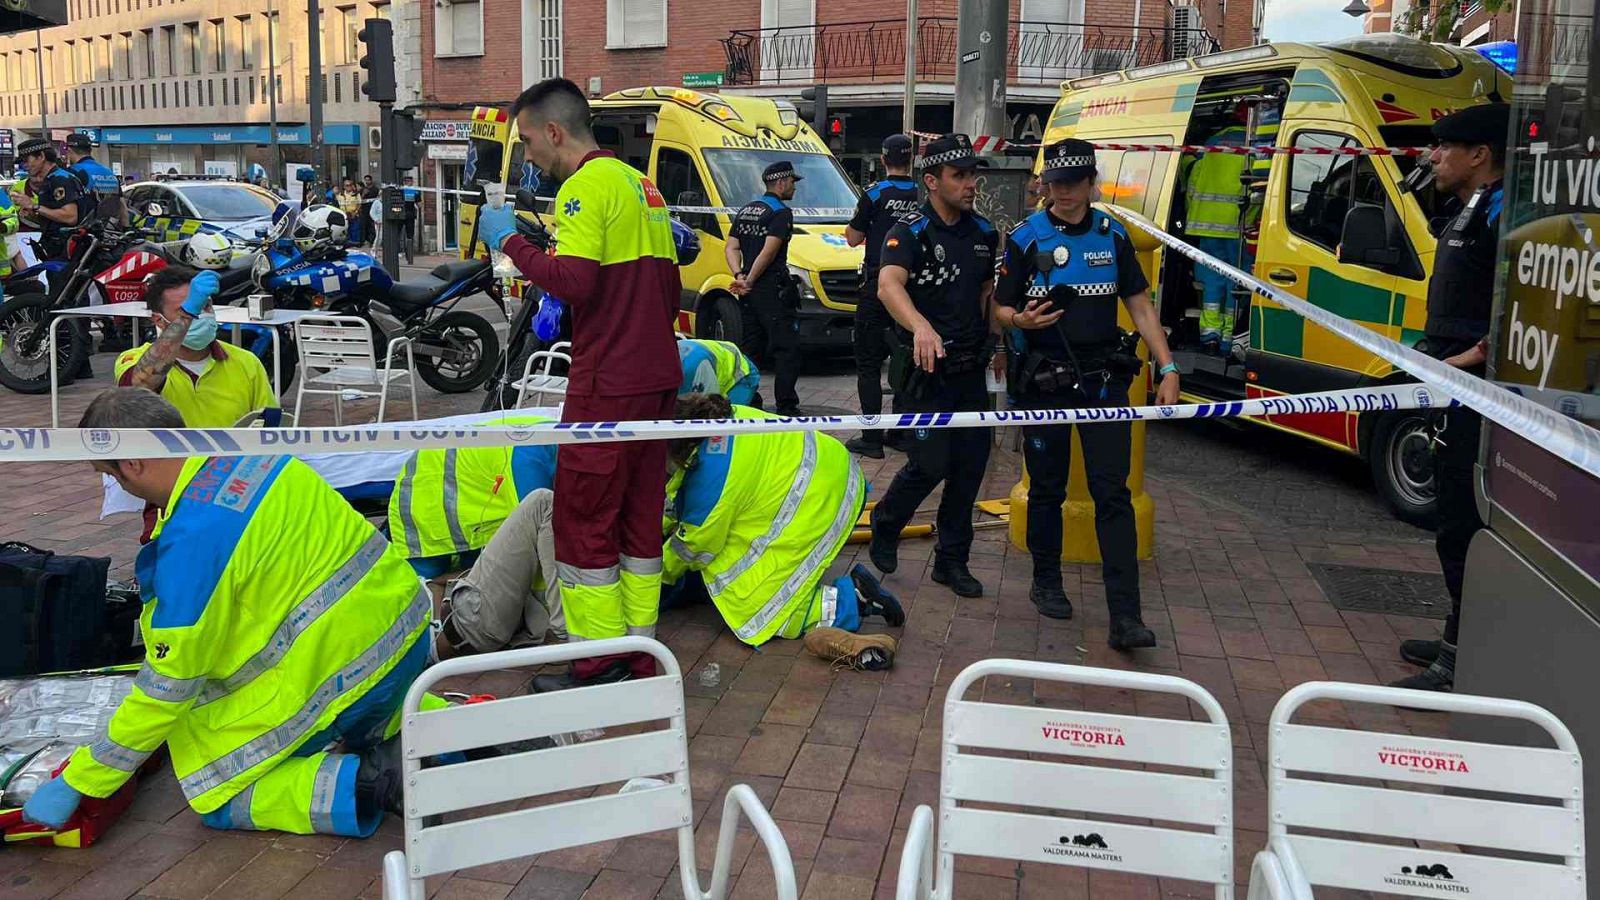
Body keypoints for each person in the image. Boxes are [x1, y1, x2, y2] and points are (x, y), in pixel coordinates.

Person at [22, 388, 430, 837]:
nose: (122, 490)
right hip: (405, 634)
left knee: (220, 793)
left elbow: (169, 685)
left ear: (133, 463)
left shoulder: (193, 542)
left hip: (355, 675)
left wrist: (82, 779)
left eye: (111, 475)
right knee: (369, 704)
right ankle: (442, 727)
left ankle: (370, 783)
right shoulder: (254, 459)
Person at [476, 77, 681, 692]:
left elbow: (575, 282)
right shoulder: (641, 185)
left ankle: (598, 664)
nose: (528, 154)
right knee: (639, 519)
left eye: (527, 140)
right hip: (654, 377)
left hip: (607, 381)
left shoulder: (584, 187)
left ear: (554, 131)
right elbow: (660, 285)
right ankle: (638, 653)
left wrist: (508, 239)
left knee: (584, 520)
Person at [994, 139, 1181, 650]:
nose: (1064, 192)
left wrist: (1167, 367)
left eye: (1073, 182)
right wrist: (1019, 319)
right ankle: (1046, 581)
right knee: (1047, 488)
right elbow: (999, 309)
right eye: (1055, 183)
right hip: (1044, 380)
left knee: (1112, 493)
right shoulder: (1025, 238)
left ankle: (1127, 615)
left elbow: (1140, 306)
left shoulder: (1111, 234)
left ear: (1091, 183)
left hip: (1102, 382)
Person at [1391, 103, 1509, 694]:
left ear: (1480, 154)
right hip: (1450, 388)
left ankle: (1461, 658)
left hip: (1476, 394)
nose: (1433, 157)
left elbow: (1516, 305)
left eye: (1444, 147)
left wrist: (1462, 362)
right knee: (1450, 521)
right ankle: (1456, 635)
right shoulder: (1473, 204)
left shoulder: (1505, 211)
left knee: (1465, 522)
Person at [665, 393, 902, 668]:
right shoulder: (719, 417)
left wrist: (654, 573)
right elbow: (683, 502)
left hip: (820, 502)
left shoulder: (711, 479)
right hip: (836, 475)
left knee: (764, 610)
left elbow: (694, 547)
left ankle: (852, 601)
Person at [868, 134, 999, 599]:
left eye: (972, 175)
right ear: (931, 181)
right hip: (925, 372)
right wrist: (921, 326)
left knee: (970, 467)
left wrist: (1000, 342)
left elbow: (986, 295)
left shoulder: (984, 233)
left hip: (969, 369)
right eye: (958, 176)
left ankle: (952, 561)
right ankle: (887, 522)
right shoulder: (910, 231)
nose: (970, 184)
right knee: (929, 463)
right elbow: (888, 285)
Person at [386, 421, 557, 577]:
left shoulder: (556, 436)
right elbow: (535, 538)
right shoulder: (530, 465)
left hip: (456, 497)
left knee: (475, 574)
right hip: (424, 500)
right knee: (419, 584)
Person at [116, 266, 279, 429]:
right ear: (159, 320)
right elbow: (139, 385)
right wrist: (188, 314)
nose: (199, 314)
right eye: (185, 309)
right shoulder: (133, 358)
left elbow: (270, 427)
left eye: (205, 306)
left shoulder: (247, 362)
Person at [845, 134, 921, 458]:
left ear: (883, 158)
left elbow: (852, 238)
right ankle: (901, 433)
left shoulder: (875, 193)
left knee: (868, 364)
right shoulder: (922, 192)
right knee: (907, 359)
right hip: (913, 288)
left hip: (878, 285)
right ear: (911, 158)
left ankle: (871, 438)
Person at [726, 160, 803, 416]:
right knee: (786, 349)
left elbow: (731, 247)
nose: (794, 187)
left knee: (751, 347)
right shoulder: (780, 213)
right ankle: (786, 406)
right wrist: (750, 279)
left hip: (748, 293)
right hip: (771, 289)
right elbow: (768, 253)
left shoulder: (747, 209)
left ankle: (749, 401)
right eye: (792, 182)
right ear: (780, 182)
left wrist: (739, 274)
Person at [1182, 108, 1249, 354]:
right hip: (1239, 228)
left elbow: (1194, 181)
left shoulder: (1212, 142)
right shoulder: (1257, 144)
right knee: (1237, 285)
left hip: (1207, 226)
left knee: (1211, 282)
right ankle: (1230, 339)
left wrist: (1193, 213)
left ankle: (1210, 335)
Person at [11, 137, 83, 261]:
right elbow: (52, 217)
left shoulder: (60, 179)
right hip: (55, 248)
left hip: (67, 250)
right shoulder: (50, 180)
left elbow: (70, 217)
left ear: (41, 156)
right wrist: (31, 215)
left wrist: (34, 206)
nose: (25, 166)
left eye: (26, 160)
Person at [678, 337, 760, 406]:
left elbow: (710, 406)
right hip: (715, 364)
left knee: (730, 416)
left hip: (740, 374)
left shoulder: (694, 366)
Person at [65, 132, 124, 224]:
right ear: (90, 150)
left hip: (84, 229)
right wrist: (125, 228)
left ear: (69, 150)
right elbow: (122, 206)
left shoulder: (74, 172)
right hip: (109, 229)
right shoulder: (109, 172)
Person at [401, 175, 420, 264]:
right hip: (406, 215)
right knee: (408, 235)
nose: (409, 183)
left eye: (409, 181)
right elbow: (419, 204)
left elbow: (419, 203)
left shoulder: (404, 190)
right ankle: (408, 256)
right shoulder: (413, 191)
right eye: (408, 181)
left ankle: (408, 255)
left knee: (407, 235)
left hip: (405, 215)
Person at [338, 179, 364, 245]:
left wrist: (355, 212)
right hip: (344, 215)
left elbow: (359, 204)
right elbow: (339, 205)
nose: (349, 187)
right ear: (344, 186)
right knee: (347, 230)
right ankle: (349, 243)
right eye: (347, 185)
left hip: (354, 214)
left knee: (355, 229)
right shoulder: (341, 195)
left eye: (350, 185)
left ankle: (355, 243)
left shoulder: (356, 194)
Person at [361, 175, 380, 247]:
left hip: (373, 210)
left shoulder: (375, 189)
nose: (367, 181)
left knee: (372, 226)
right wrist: (364, 194)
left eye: (368, 180)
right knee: (365, 226)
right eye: (365, 180)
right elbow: (360, 199)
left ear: (371, 180)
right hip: (365, 210)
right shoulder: (363, 189)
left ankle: (372, 241)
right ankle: (366, 241)